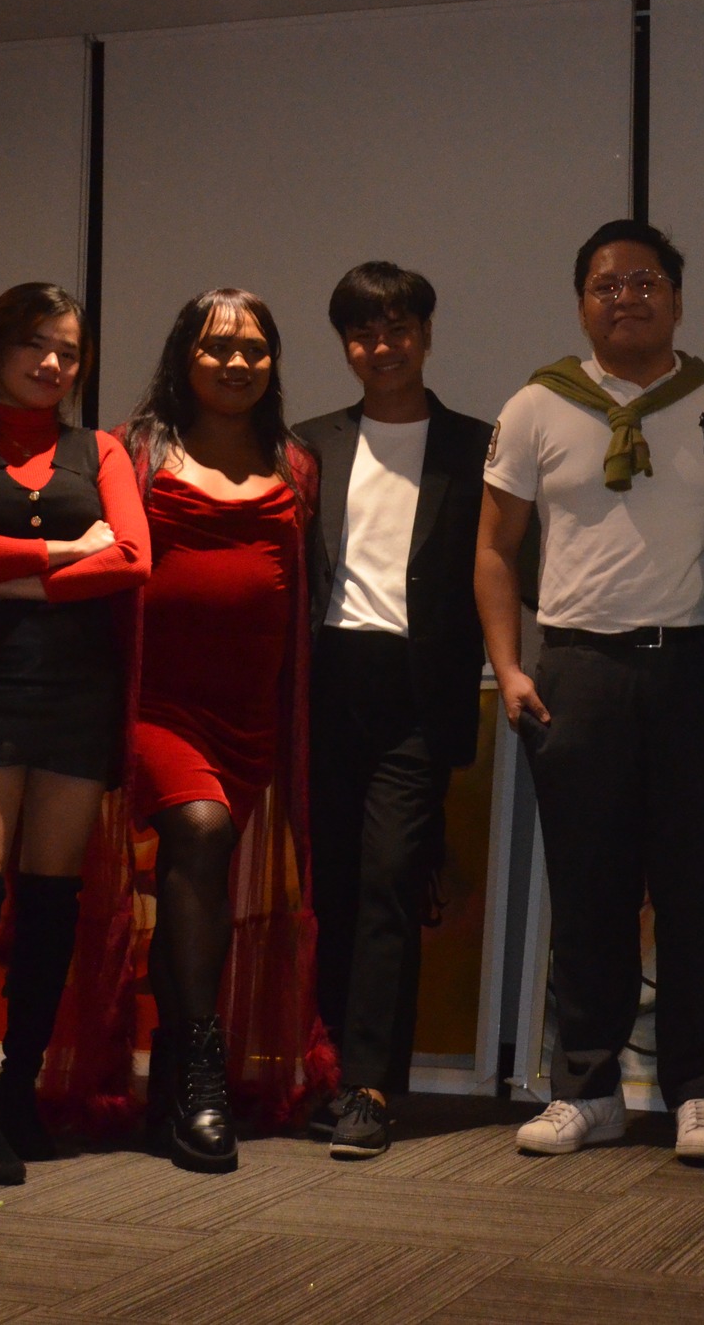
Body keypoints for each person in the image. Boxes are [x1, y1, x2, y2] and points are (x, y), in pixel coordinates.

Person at [476, 219, 704, 1162]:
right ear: (582, 304)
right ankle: (587, 1089)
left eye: (646, 282)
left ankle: (701, 1092)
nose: (628, 298)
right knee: (589, 892)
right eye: (607, 285)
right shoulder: (536, 406)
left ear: (677, 300)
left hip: (700, 673)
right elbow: (494, 549)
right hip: (578, 672)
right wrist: (509, 666)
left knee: (698, 890)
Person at [0, 281, 150, 1184]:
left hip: (79, 687)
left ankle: (19, 1089)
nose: (52, 363)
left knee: (52, 899)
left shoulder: (103, 450)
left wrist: (11, 576)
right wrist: (67, 552)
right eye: (36, 344)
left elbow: (136, 557)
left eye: (69, 352)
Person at [113, 288, 323, 1174]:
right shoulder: (136, 451)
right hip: (156, 707)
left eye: (254, 350)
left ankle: (171, 1072)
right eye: (216, 347)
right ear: (183, 358)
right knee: (197, 834)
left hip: (249, 718)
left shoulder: (296, 464)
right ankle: (202, 1073)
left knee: (199, 877)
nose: (237, 363)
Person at [295, 263, 491, 1158]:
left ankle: (371, 1085)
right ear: (346, 345)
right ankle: (331, 1070)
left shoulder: (475, 447)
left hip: (416, 694)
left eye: (399, 328)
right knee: (331, 889)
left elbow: (507, 567)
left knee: (389, 881)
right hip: (327, 685)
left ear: (426, 334)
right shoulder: (307, 445)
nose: (383, 347)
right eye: (364, 333)